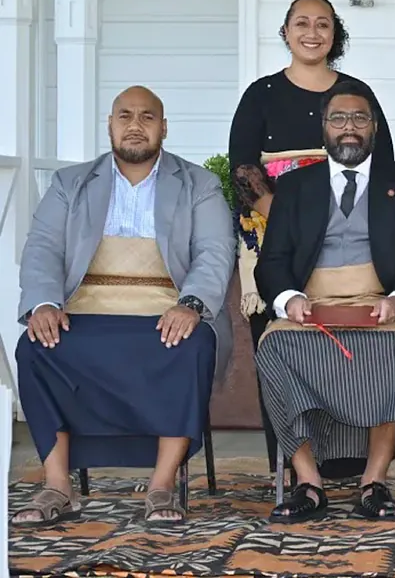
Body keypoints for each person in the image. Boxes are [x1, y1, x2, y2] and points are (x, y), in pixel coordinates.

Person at [13, 86, 236, 526]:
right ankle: (58, 485)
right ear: (110, 125)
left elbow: (215, 252)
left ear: (164, 128)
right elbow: (42, 249)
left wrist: (191, 304)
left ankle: (161, 485)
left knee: (190, 345)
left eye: (147, 117)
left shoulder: (199, 184)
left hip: (167, 308)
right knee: (35, 347)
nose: (135, 125)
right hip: (84, 308)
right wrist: (43, 303)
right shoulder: (70, 183)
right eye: (125, 116)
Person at [253, 80, 395, 523]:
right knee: (274, 347)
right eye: (339, 119)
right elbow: (272, 262)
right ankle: (308, 483)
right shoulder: (294, 186)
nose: (349, 127)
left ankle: (374, 482)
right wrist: (288, 299)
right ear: (324, 127)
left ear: (374, 127)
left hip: (379, 305)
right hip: (311, 306)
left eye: (359, 118)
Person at [228, 0, 394, 477]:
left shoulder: (356, 94)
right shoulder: (260, 94)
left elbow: (382, 170)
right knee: (284, 347)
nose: (312, 32)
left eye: (323, 24)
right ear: (285, 32)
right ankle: (295, 465)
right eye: (301, 23)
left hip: (351, 238)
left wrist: (334, 223)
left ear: (335, 34)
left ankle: (354, 457)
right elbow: (243, 169)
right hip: (274, 234)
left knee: (357, 351)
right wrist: (291, 224)